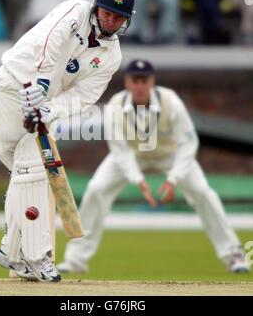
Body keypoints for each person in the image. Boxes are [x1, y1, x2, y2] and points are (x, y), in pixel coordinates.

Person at [0, 0, 135, 282]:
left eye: (117, 18)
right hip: (13, 85)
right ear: (97, 7)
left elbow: (83, 96)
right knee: (25, 173)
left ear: (126, 20)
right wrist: (40, 84)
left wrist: (48, 109)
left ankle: (27, 254)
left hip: (45, 104)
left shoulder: (111, 56)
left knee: (31, 173)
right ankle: (17, 251)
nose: (110, 22)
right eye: (107, 13)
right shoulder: (75, 10)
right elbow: (50, 42)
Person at [57, 59, 250, 274]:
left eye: (144, 80)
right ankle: (76, 260)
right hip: (133, 155)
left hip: (169, 154)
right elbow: (119, 149)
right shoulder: (116, 105)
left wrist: (173, 179)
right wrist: (139, 181)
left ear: (152, 81)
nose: (139, 85)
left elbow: (188, 143)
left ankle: (233, 254)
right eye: (135, 80)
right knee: (96, 189)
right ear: (128, 83)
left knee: (203, 192)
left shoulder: (171, 101)